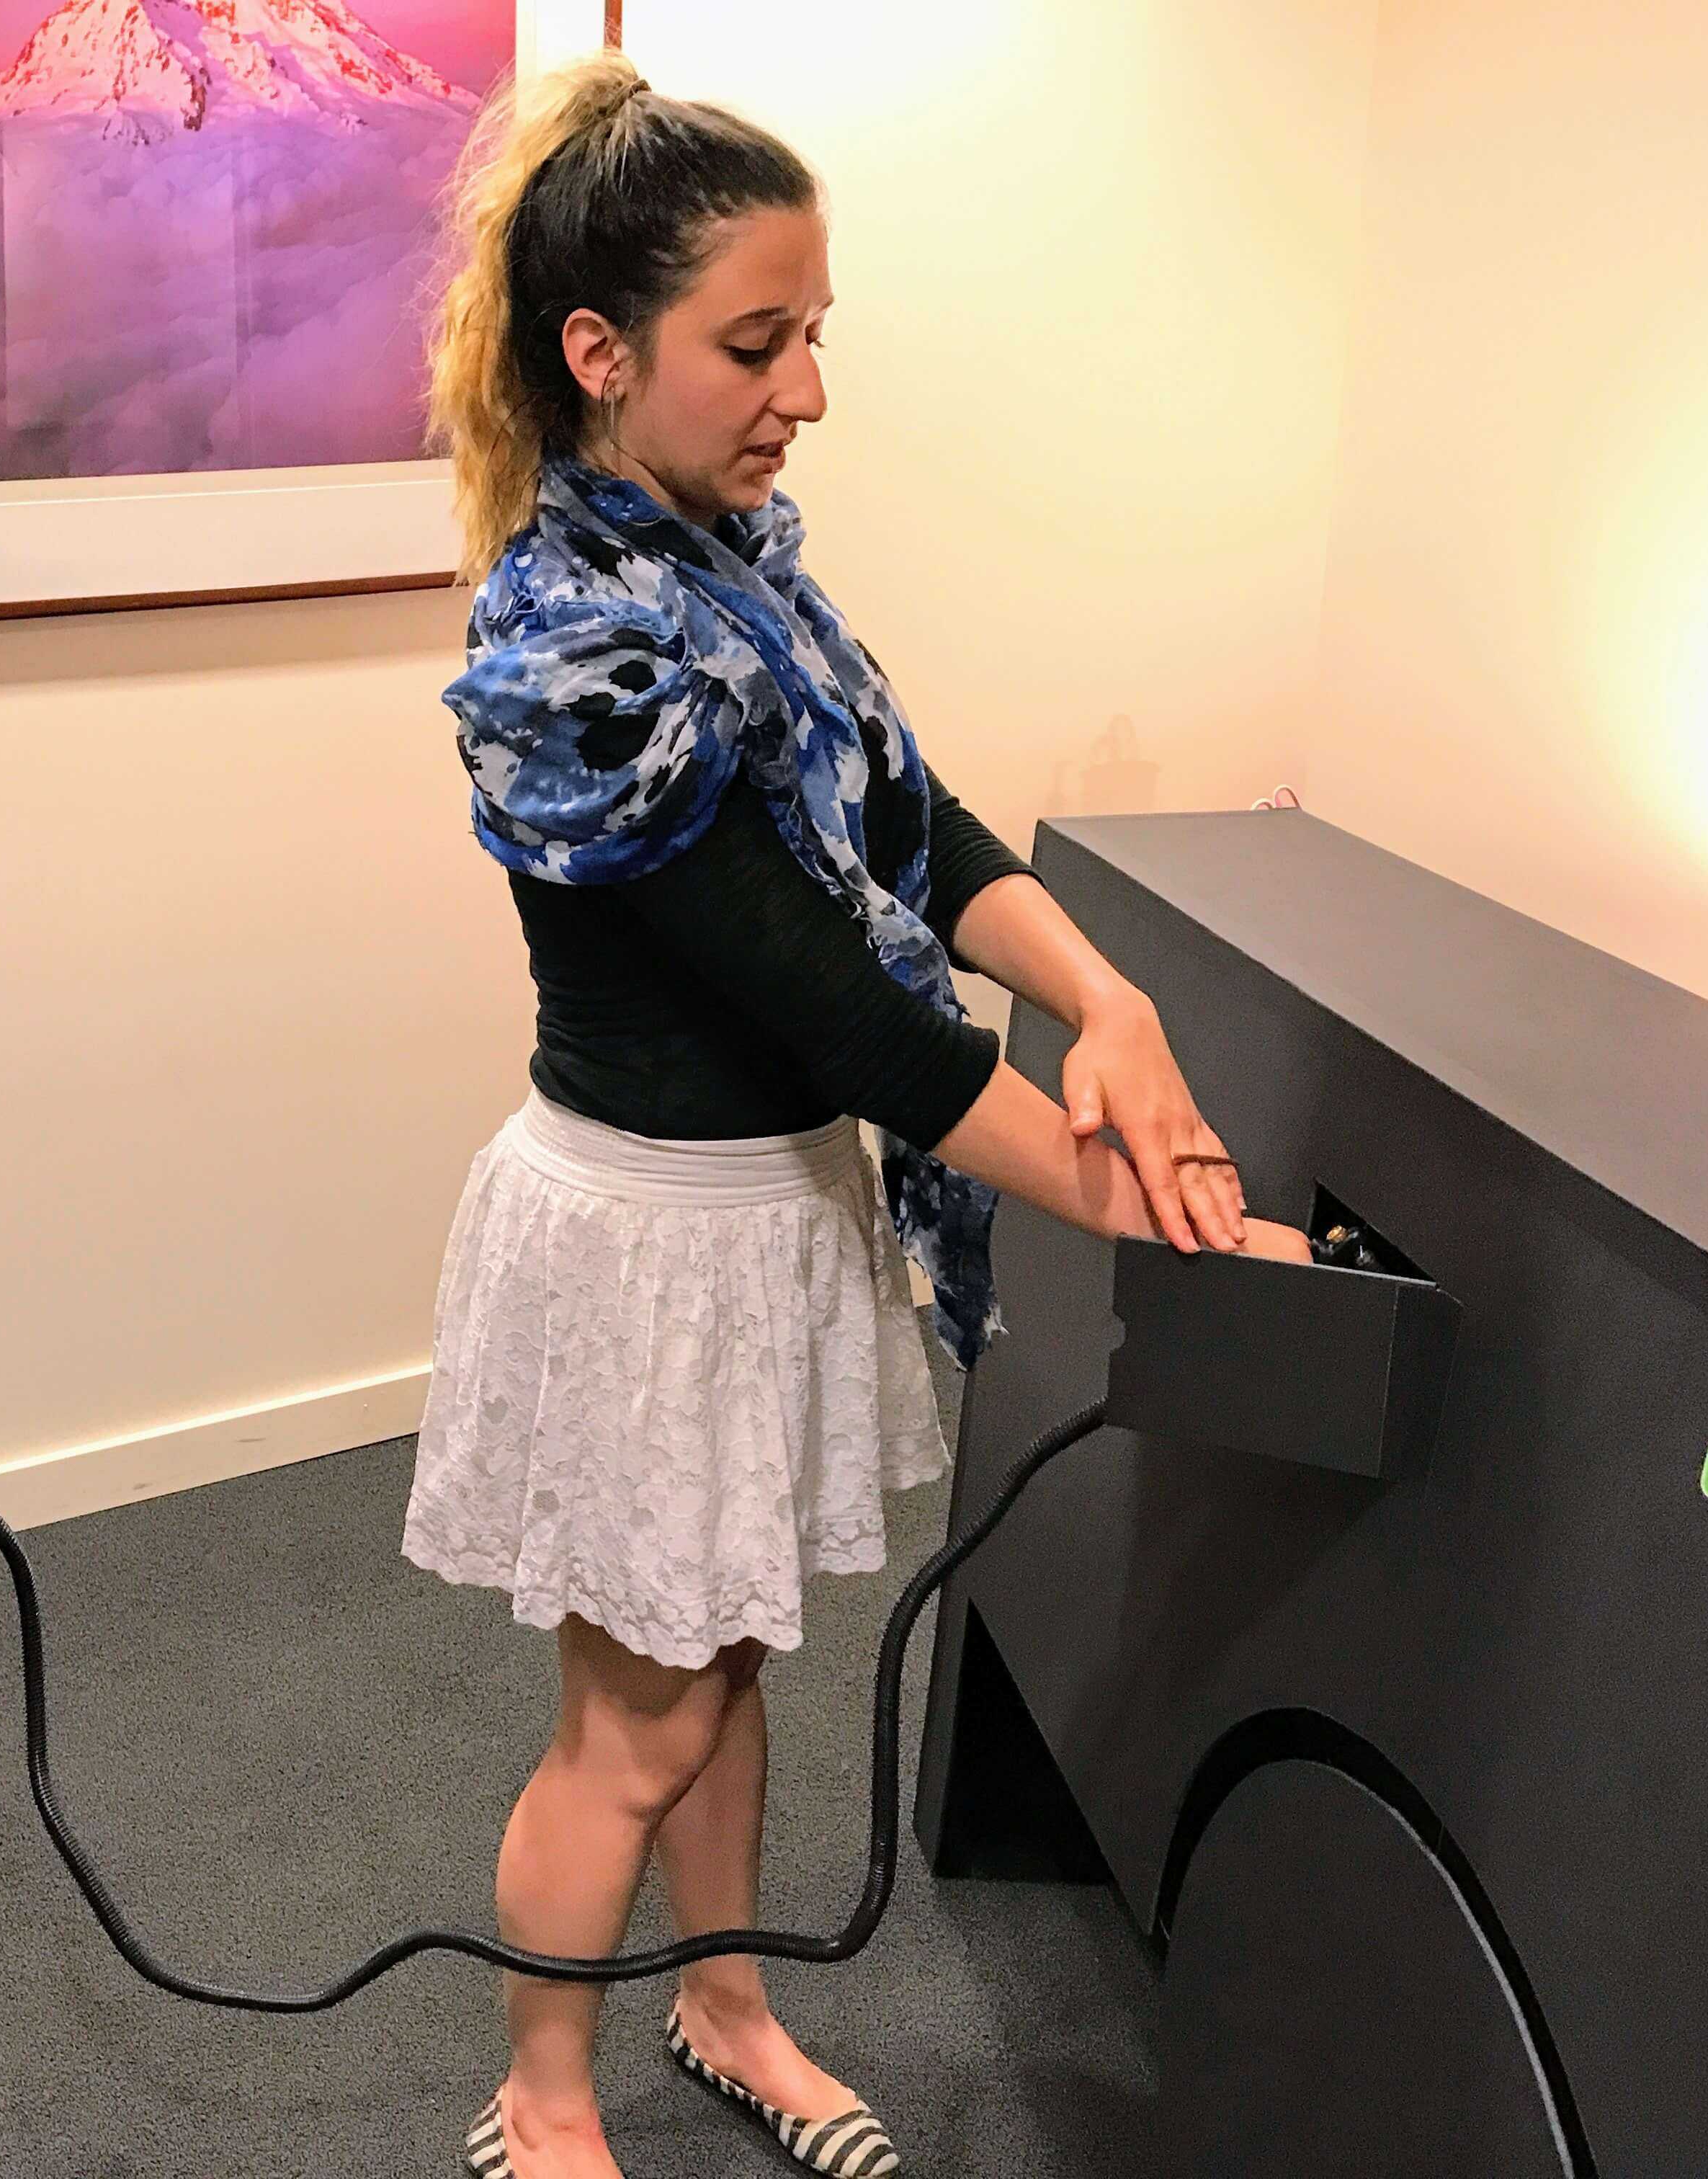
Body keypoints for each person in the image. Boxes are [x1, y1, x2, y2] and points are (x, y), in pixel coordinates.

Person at [402, 52, 1311, 2179]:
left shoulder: (745, 576)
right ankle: (537, 2101)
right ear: (599, 354)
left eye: (816, 334)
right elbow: (856, 1028)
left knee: (732, 1661)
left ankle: (723, 2010)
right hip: (645, 1239)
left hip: (767, 1218)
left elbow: (917, 826)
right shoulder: (572, 660)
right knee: (631, 1727)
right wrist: (1166, 1207)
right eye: (758, 342)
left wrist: (1111, 992)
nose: (806, 388)